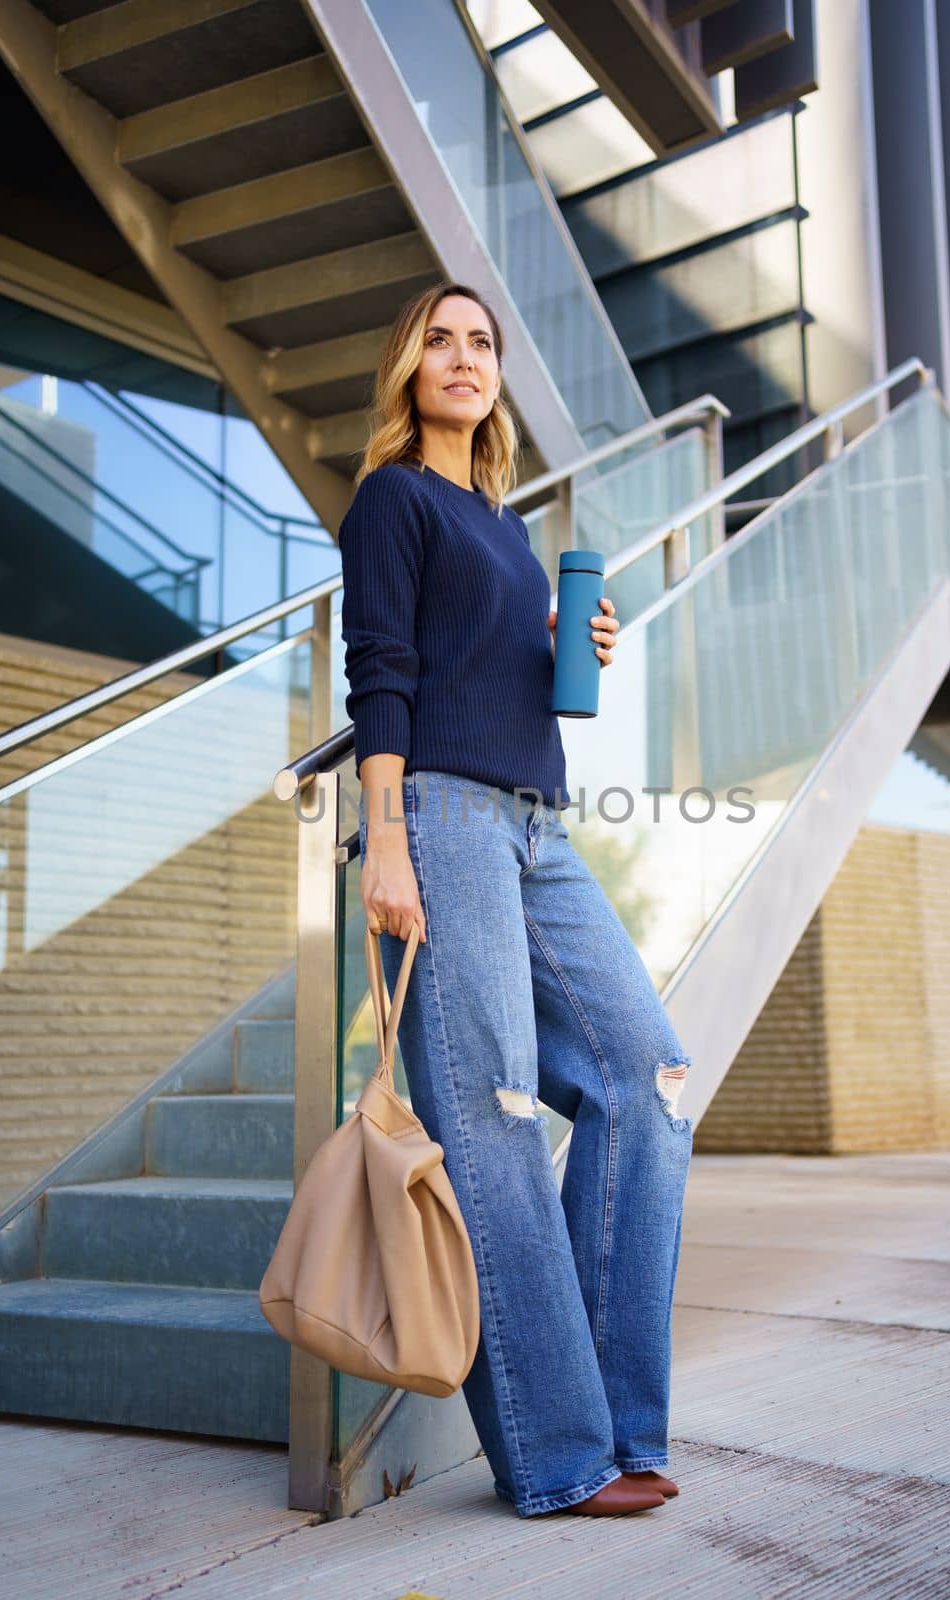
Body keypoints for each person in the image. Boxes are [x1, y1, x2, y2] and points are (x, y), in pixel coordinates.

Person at [339, 280, 694, 1519]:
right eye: (436, 338)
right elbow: (380, 672)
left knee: (643, 1076)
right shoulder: (393, 499)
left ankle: (622, 1420)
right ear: (406, 367)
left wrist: (564, 639)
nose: (461, 356)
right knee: (489, 1111)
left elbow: (499, 674)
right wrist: (385, 840)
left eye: (479, 342)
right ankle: (554, 1454)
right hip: (438, 816)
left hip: (536, 830)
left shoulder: (503, 524)